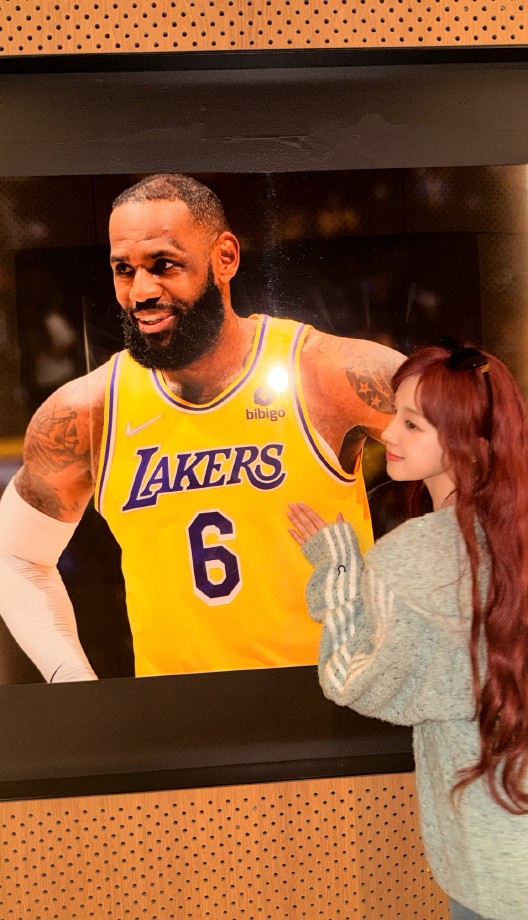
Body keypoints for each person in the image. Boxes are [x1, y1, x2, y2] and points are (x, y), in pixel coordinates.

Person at [287, 340, 528, 920]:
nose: (389, 433)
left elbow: (348, 675)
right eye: (395, 414)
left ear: (464, 438)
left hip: (500, 865)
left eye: (413, 423)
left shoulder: (411, 559)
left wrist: (337, 568)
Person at [0, 173, 404, 681]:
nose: (141, 291)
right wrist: (72, 682)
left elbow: (485, 476)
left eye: (164, 265)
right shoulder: (88, 411)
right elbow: (15, 556)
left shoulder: (326, 374)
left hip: (333, 707)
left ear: (225, 258)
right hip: (176, 720)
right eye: (124, 270)